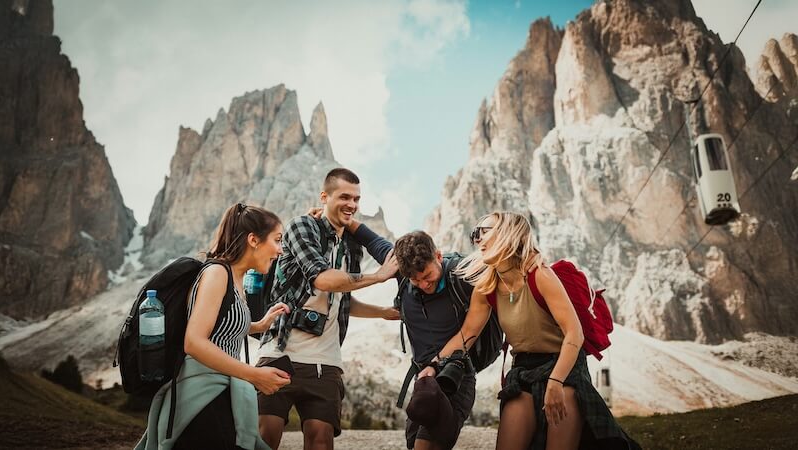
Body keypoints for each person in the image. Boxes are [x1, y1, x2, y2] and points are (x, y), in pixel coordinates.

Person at [435, 212, 640, 450]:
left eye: (483, 231)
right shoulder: (486, 287)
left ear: (508, 232)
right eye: (474, 234)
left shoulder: (540, 275)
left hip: (563, 367)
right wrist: (433, 364)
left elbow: (574, 333)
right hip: (523, 370)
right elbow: (467, 334)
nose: (477, 238)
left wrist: (556, 381)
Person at [256, 168, 400, 450]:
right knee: (264, 438)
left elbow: (342, 299)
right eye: (344, 197)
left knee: (321, 442)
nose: (352, 204)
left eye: (356, 199)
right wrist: (378, 277)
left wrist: (382, 312)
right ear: (324, 197)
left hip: (326, 361)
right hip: (280, 352)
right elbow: (322, 279)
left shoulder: (352, 246)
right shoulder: (301, 227)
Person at [138, 203, 293, 450]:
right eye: (277, 240)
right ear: (253, 240)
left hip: (221, 390)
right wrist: (254, 375)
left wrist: (259, 325)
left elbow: (220, 326)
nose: (280, 249)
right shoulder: (217, 273)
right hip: (202, 396)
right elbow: (194, 342)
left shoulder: (237, 278)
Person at [348, 222, 480, 450]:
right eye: (415, 280)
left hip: (454, 376)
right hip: (424, 379)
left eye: (427, 275)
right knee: (414, 444)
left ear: (438, 256)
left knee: (425, 445)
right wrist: (340, 218)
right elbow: (372, 240)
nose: (424, 284)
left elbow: (471, 330)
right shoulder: (401, 271)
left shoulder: (462, 275)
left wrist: (435, 364)